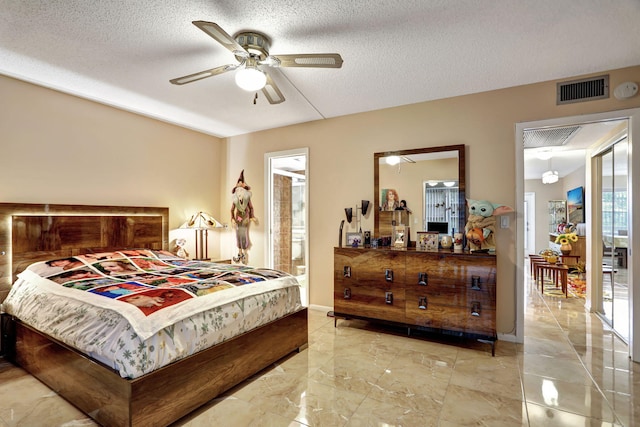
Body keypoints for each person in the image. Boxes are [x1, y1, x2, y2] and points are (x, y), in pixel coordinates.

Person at [231, 170, 258, 264]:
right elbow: (232, 210)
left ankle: (244, 252)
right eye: (237, 189)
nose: (239, 191)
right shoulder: (235, 200)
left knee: (243, 233)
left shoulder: (247, 198)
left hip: (245, 217)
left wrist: (252, 217)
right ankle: (239, 252)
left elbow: (251, 208)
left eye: (240, 189)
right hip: (238, 217)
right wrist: (232, 219)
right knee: (238, 233)